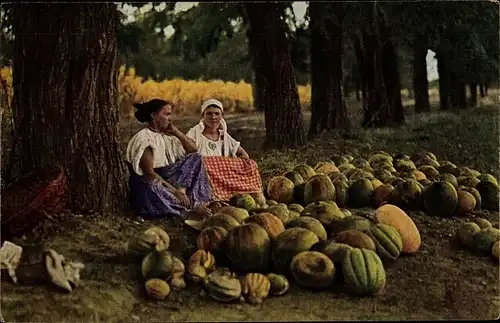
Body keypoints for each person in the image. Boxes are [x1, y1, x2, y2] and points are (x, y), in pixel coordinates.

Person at [125, 99, 213, 219]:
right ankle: (186, 212)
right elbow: (149, 174)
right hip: (150, 183)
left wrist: (175, 131)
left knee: (196, 158)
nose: (170, 118)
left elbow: (194, 149)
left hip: (168, 179)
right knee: (152, 189)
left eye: (170, 114)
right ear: (153, 115)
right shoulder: (144, 139)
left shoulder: (166, 137)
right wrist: (175, 192)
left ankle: (195, 203)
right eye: (166, 114)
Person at [186, 99, 250, 159]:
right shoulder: (195, 133)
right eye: (209, 114)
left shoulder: (224, 137)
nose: (213, 117)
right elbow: (186, 152)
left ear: (221, 116)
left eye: (217, 114)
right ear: (203, 116)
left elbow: (244, 155)